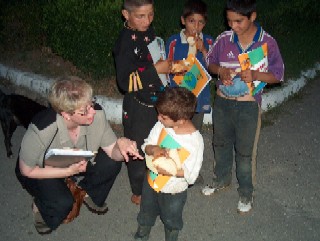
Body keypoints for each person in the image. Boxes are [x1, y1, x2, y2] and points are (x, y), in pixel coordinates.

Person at [15, 76, 143, 235]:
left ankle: (86, 191)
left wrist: (121, 145)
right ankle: (40, 205)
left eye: (91, 103)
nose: (92, 112)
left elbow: (112, 152)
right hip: (41, 169)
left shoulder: (96, 114)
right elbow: (26, 170)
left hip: (74, 162)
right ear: (66, 115)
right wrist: (67, 172)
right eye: (84, 111)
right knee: (63, 203)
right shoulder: (42, 129)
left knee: (111, 163)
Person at [201, 0, 284, 214]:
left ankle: (246, 191)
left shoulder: (267, 43)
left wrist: (256, 75)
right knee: (220, 143)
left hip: (247, 107)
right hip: (222, 103)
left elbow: (278, 75)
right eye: (229, 21)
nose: (233, 26)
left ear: (252, 16)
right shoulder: (223, 39)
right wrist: (220, 72)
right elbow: (210, 62)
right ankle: (221, 179)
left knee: (245, 152)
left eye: (238, 21)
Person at [113, 0, 172, 205]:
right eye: (140, 16)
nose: (147, 20)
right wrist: (156, 70)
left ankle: (158, 175)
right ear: (126, 14)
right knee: (138, 147)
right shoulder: (124, 43)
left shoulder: (148, 30)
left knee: (159, 140)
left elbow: (153, 56)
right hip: (138, 105)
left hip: (157, 98)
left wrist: (166, 70)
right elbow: (124, 82)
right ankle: (138, 189)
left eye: (151, 15)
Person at [134, 87, 204, 241]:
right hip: (151, 182)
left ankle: (171, 235)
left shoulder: (194, 142)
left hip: (174, 190)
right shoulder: (162, 126)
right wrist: (155, 148)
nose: (158, 118)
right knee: (146, 210)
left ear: (180, 120)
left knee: (172, 218)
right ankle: (142, 232)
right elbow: (146, 146)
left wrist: (170, 170)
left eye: (163, 116)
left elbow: (191, 176)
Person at [165, 0, 214, 132]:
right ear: (183, 20)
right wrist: (183, 66)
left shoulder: (209, 41)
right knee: (175, 131)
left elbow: (214, 67)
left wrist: (203, 49)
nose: (196, 26)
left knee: (193, 131)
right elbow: (166, 68)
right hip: (178, 96)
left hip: (199, 96)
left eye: (201, 22)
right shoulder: (174, 42)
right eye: (191, 21)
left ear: (205, 23)